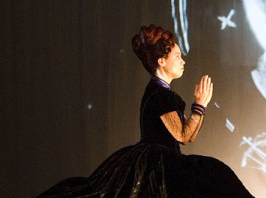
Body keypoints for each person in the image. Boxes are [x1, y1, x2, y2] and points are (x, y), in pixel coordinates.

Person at [37, 25, 254, 198]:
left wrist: (201, 106)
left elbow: (187, 138)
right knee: (214, 174)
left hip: (164, 160)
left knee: (214, 175)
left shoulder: (163, 92)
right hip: (156, 166)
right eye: (177, 56)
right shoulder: (161, 94)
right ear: (162, 61)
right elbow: (183, 135)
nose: (182, 61)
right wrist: (199, 105)